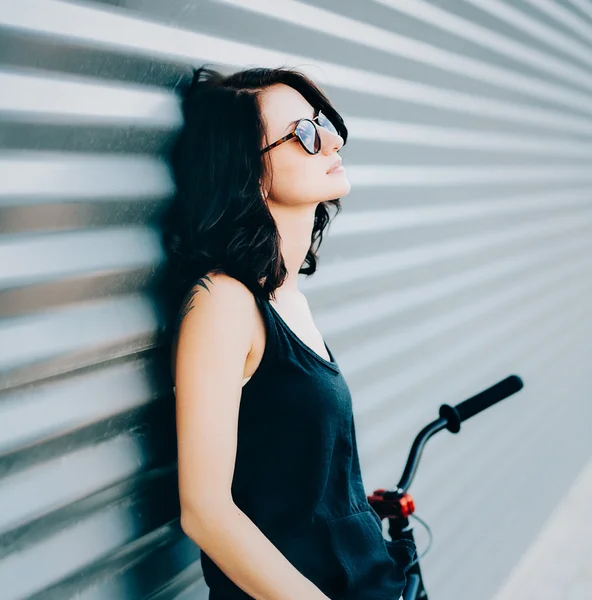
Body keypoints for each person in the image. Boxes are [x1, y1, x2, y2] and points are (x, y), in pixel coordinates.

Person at [162, 64, 416, 600]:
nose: (328, 140)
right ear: (249, 172)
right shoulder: (223, 304)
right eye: (302, 134)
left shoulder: (286, 297)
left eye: (321, 124)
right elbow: (206, 512)